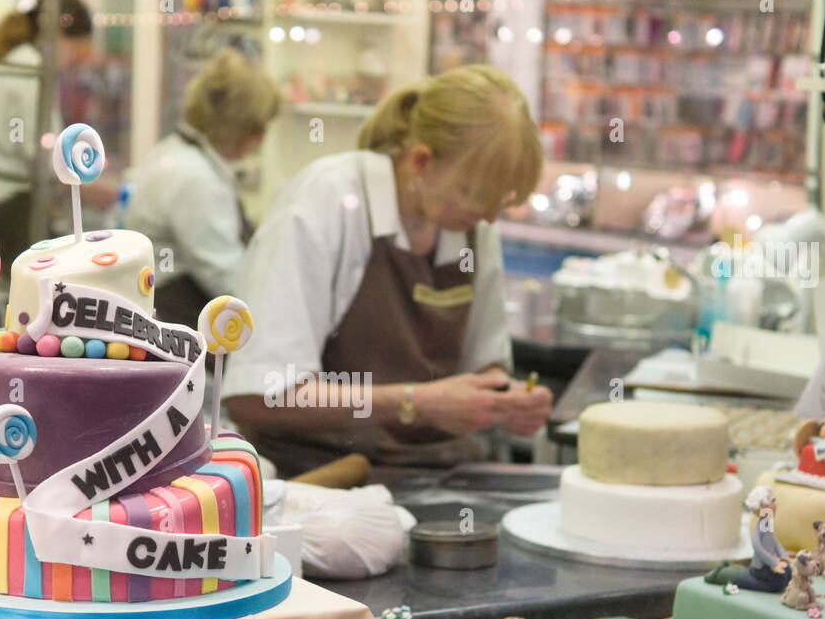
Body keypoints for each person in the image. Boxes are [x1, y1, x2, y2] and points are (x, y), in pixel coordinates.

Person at [221, 64, 552, 475]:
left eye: (500, 203)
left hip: (431, 471)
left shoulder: (469, 223)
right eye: (477, 196)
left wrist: (504, 398)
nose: (488, 217)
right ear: (421, 161)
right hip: (317, 477)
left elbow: (483, 363)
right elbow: (258, 395)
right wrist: (415, 403)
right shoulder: (329, 200)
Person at [124, 48, 280, 329]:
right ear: (240, 126)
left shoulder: (175, 151)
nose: (261, 138)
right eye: (259, 127)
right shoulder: (194, 178)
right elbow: (229, 279)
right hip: (177, 323)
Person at [0, 0, 115, 263]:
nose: (73, 59)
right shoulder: (29, 73)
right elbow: (40, 151)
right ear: (57, 35)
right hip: (10, 202)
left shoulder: (16, 62)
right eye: (75, 47)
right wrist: (86, 185)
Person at [735, 486, 793, 593]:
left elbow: (773, 541)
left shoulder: (767, 525)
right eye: (772, 501)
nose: (776, 504)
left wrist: (783, 554)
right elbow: (758, 548)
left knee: (789, 572)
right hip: (761, 567)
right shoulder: (758, 529)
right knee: (778, 582)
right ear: (762, 507)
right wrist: (773, 563)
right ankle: (743, 580)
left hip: (770, 563)